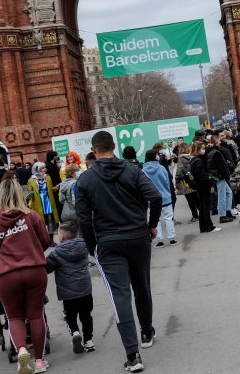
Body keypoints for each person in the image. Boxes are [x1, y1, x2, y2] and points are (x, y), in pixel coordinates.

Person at [75, 130, 163, 372]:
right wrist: (151, 225)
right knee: (142, 286)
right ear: (114, 145)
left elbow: (83, 218)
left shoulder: (85, 180)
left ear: (94, 150)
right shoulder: (132, 170)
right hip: (137, 236)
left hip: (108, 242)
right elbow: (155, 197)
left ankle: (132, 354)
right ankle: (146, 332)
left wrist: (93, 246)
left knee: (119, 295)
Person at [0, 179, 52, 374]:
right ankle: (39, 361)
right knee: (36, 315)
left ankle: (21, 349)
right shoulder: (32, 217)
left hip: (6, 275)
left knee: (14, 317)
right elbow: (45, 241)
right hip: (34, 271)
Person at [45, 221, 95, 356]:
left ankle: (75, 333)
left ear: (61, 237)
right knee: (86, 316)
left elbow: (47, 268)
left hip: (68, 294)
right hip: (85, 290)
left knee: (70, 317)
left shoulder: (56, 254)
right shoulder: (83, 246)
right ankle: (89, 341)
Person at [142, 149, 176, 247]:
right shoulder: (161, 168)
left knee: (157, 220)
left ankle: (159, 240)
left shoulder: (143, 171)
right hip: (165, 197)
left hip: (152, 199)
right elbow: (167, 182)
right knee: (169, 218)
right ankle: (172, 239)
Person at [188, 140, 219, 234]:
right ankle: (209, 227)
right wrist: (210, 186)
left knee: (202, 207)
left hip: (199, 187)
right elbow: (203, 177)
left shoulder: (193, 160)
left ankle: (203, 227)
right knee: (205, 207)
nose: (204, 150)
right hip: (203, 187)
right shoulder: (198, 161)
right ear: (197, 149)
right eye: (202, 149)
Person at [26, 162, 58, 235]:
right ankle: (44, 237)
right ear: (37, 169)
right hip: (38, 202)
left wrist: (58, 187)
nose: (45, 169)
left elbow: (51, 188)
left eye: (45, 167)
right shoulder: (31, 180)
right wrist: (28, 200)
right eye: (43, 168)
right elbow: (30, 192)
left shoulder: (47, 177)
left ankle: (51, 237)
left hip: (48, 201)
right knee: (41, 221)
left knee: (50, 219)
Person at [173, 144, 199, 224]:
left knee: (190, 200)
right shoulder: (192, 156)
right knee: (196, 198)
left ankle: (195, 216)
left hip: (186, 182)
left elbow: (179, 172)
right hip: (193, 180)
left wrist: (176, 181)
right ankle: (203, 213)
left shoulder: (181, 158)